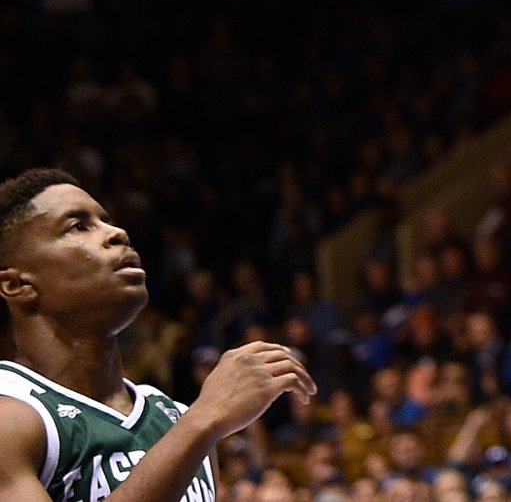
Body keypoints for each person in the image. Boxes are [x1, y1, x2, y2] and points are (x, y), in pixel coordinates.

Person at [0, 169, 315, 502]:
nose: (117, 232)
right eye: (78, 226)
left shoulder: (172, 416)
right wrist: (204, 418)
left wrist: (197, 423)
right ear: (16, 284)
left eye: (105, 220)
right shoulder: (11, 419)